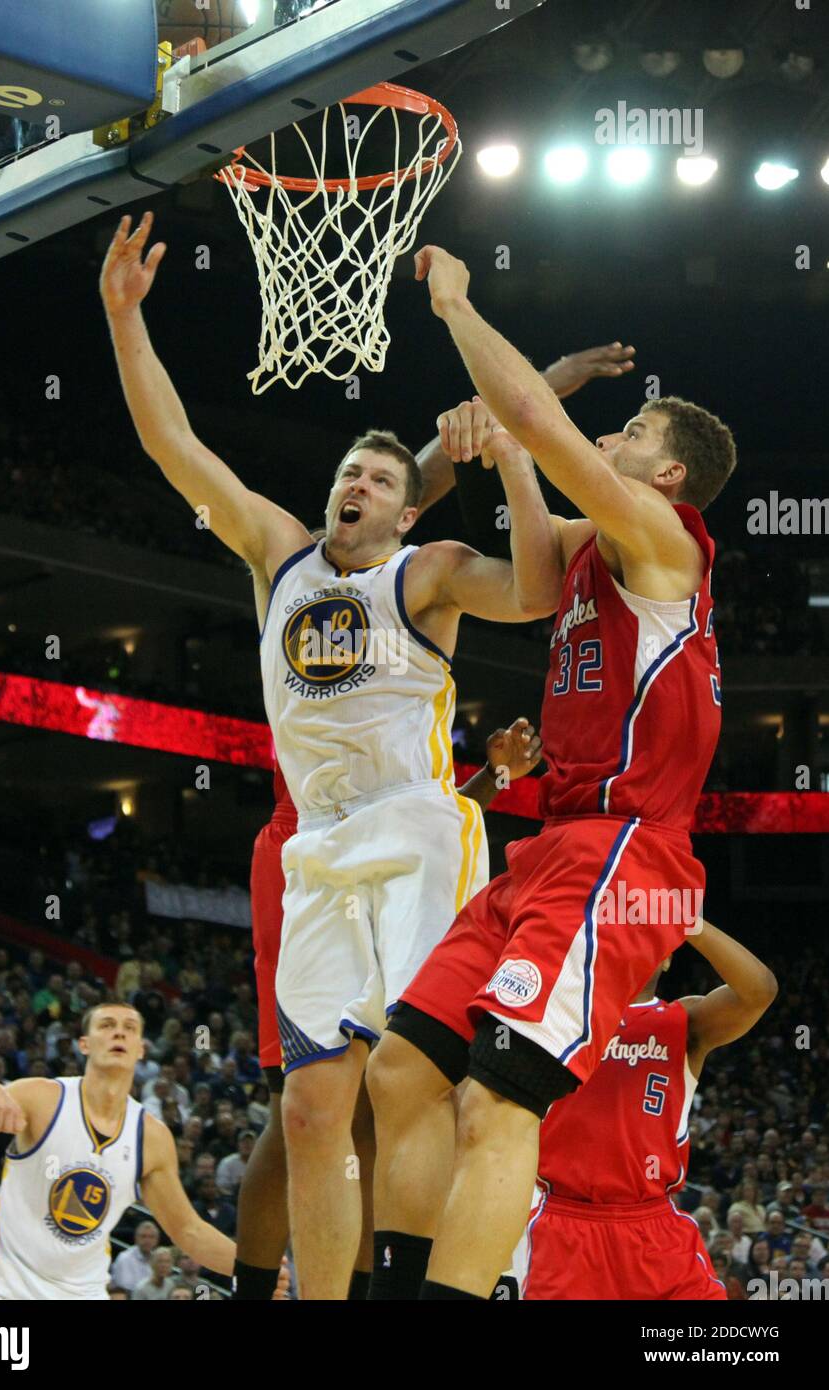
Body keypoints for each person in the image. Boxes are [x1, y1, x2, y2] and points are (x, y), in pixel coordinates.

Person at [100, 211, 560, 1300]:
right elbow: (176, 449)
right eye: (349, 471)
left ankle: (439, 1281)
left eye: (379, 479)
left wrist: (516, 462)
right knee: (310, 1108)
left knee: (412, 1082)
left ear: (404, 512)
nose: (356, 484)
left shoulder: (429, 571)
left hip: (415, 828)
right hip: (317, 846)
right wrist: (125, 321)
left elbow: (537, 589)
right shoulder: (280, 554)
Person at [366, 242, 737, 1299]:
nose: (610, 437)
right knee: (403, 1071)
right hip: (550, 851)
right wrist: (507, 454)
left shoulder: (665, 541)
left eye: (630, 432)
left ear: (666, 476)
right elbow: (533, 571)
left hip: (626, 852)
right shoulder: (592, 547)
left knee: (497, 1102)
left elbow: (541, 417)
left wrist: (456, 308)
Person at [233, 725, 542, 1300]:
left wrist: (494, 776)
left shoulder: (425, 699)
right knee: (303, 1109)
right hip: (310, 837)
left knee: (393, 1096)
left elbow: (415, 808)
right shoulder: (333, 646)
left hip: (411, 845)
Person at [519, 919, 776, 1299]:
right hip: (566, 1224)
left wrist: (689, 920)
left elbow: (760, 991)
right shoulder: (559, 1015)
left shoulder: (685, 1021)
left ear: (669, 956)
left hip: (655, 1228)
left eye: (650, 932)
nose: (636, 939)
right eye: (624, 931)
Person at [0, 1001, 234, 1299]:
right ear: (84, 1044)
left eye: (129, 1028)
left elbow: (189, 1231)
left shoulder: (151, 1137)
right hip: (6, 1291)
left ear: (140, 1050)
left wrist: (259, 1271)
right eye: (107, 1025)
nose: (119, 1033)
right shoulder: (41, 1098)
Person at [109, 1217, 159, 1292]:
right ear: (136, 1238)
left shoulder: (158, 1259)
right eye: (143, 1236)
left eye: (151, 1237)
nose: (147, 1240)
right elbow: (125, 1289)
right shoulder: (124, 1258)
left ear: (156, 1240)